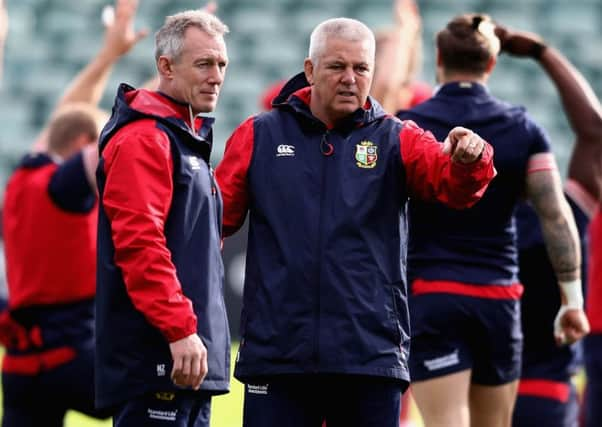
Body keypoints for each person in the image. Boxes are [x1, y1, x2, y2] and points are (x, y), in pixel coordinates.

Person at [215, 17, 496, 427]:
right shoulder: (260, 135)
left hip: (368, 359)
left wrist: (471, 159)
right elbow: (211, 221)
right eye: (337, 67)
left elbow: (454, 187)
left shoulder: (397, 137)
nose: (350, 79)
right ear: (310, 71)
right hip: (278, 356)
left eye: (361, 68)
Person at [397, 14, 589, 427]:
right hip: (498, 298)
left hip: (434, 292)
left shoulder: (408, 126)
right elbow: (555, 215)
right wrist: (572, 301)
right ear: (491, 65)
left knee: (447, 421)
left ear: (438, 59)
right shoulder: (524, 128)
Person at [0, 1, 146, 425]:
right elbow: (88, 147)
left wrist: (107, 57)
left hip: (23, 363)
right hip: (73, 351)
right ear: (85, 139)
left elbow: (67, 116)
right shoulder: (63, 184)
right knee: (158, 404)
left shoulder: (24, 179)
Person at [95, 9, 230, 427]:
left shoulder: (182, 141)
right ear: (165, 67)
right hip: (160, 357)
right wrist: (179, 329)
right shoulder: (144, 139)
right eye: (204, 63)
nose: (217, 76)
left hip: (185, 361)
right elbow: (140, 245)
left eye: (222, 64)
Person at [489, 25, 602, 427]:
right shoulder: (572, 209)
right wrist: (542, 52)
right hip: (548, 395)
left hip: (479, 397)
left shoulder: (469, 222)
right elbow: (594, 132)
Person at [370, 0, 431, 114]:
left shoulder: (418, 95)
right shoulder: (363, 104)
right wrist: (407, 29)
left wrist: (410, 32)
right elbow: (386, 84)